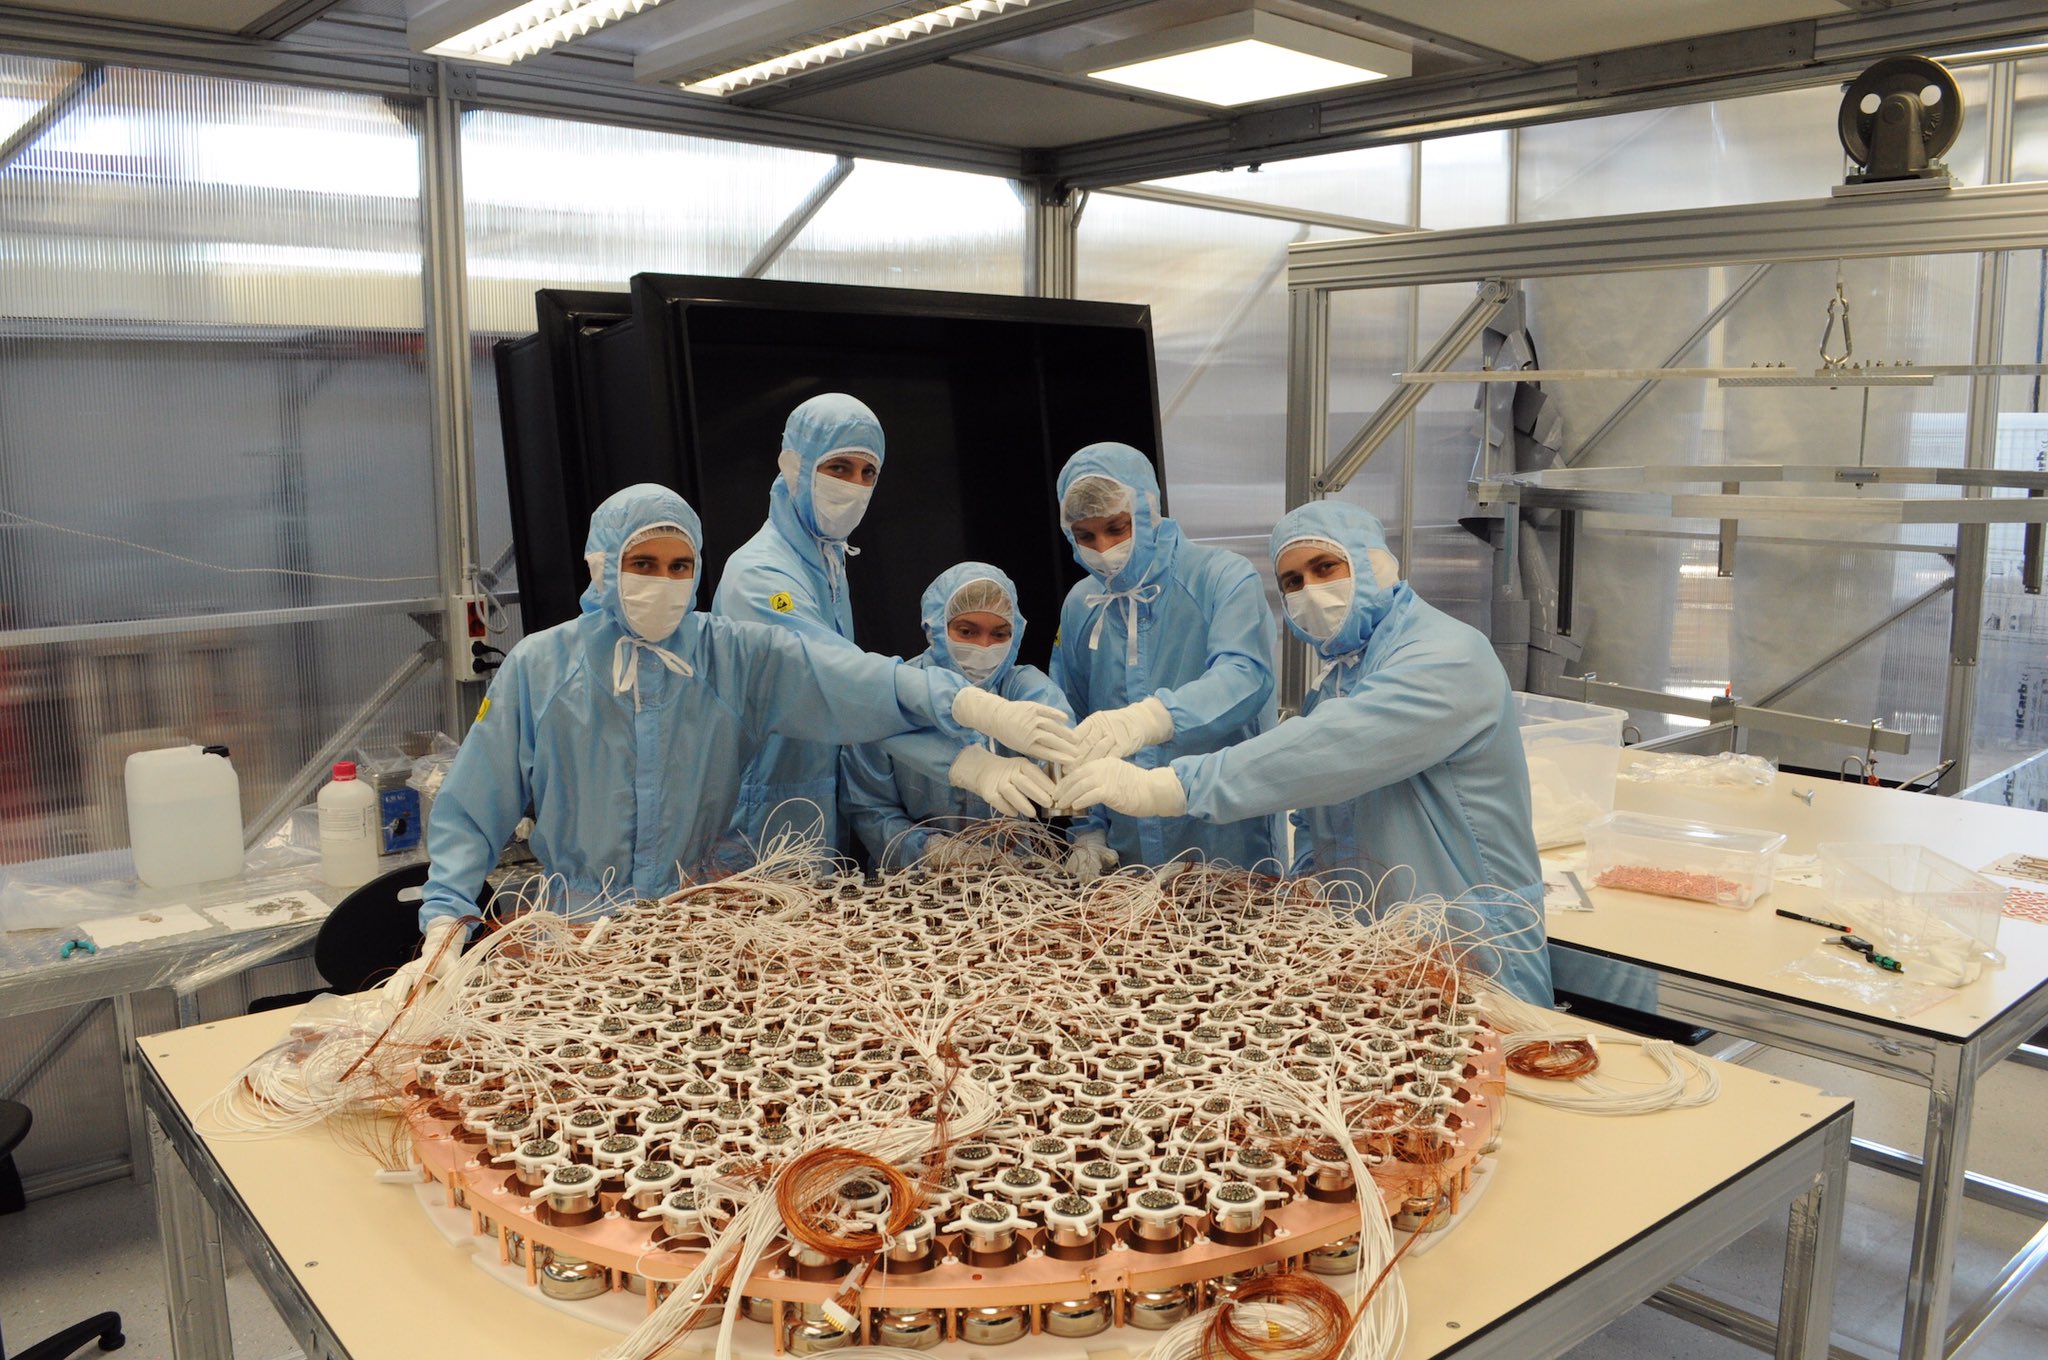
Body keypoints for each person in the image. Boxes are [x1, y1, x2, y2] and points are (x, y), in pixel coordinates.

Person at [403, 484, 1076, 987]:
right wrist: (445, 920)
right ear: (601, 564)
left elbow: (849, 686)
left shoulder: (732, 657)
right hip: (574, 936)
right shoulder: (540, 667)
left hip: (698, 931)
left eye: (679, 567)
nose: (663, 584)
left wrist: (964, 718)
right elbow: (476, 802)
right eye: (644, 563)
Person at [1054, 501, 1553, 1005]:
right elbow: (1326, 812)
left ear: (1373, 563)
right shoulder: (1340, 676)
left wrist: (1170, 785)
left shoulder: (1448, 656)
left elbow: (1334, 749)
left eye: (1325, 568)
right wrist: (1310, 881)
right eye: (1292, 582)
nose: (1310, 591)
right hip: (1381, 952)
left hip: (1471, 947)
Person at [1050, 442, 1279, 877]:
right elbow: (1072, 719)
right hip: (1127, 849)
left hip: (1225, 840)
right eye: (1086, 536)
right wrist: (1087, 827)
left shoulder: (1221, 577)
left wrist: (1151, 719)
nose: (1103, 548)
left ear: (1147, 511)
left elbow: (1245, 678)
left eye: (1117, 528)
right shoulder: (1083, 604)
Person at [713, 392, 884, 857]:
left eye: (868, 472)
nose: (855, 484)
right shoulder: (760, 573)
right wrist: (955, 714)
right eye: (839, 468)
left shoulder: (827, 561)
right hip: (759, 816)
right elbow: (837, 681)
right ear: (794, 467)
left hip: (811, 806)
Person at [841, 563, 1073, 869]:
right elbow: (869, 807)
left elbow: (1065, 757)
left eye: (1000, 633)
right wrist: (932, 851)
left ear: (1016, 636)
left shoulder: (1021, 688)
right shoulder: (896, 694)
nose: (984, 646)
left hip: (1011, 876)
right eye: (967, 631)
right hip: (911, 881)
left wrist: (1083, 825)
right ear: (935, 628)